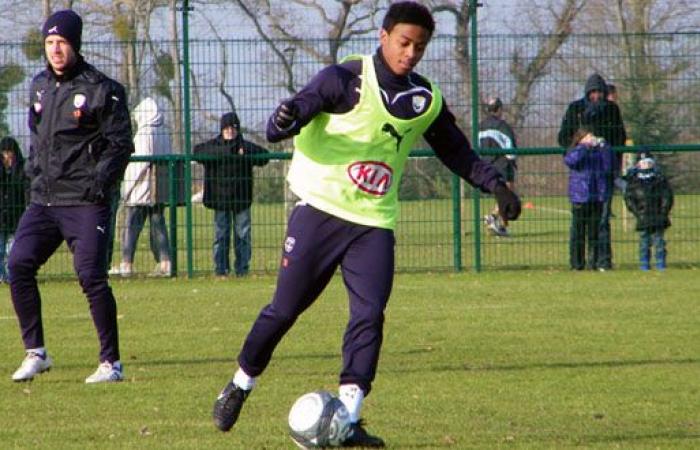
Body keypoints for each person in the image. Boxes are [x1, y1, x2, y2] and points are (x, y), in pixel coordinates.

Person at [211, 2, 521, 447]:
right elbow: (291, 115)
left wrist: (496, 187)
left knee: (369, 314)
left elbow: (456, 151)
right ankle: (240, 384)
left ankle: (348, 418)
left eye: (420, 46)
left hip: (372, 222)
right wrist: (284, 119)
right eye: (404, 43)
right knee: (285, 309)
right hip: (318, 210)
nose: (411, 53)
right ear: (383, 36)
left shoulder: (425, 99)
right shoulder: (345, 78)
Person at [8, 9, 133, 383]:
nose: (55, 49)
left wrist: (99, 182)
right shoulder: (39, 86)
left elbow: (120, 143)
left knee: (91, 277)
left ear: (75, 44)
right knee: (18, 265)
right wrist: (34, 172)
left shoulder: (101, 89)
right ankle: (37, 352)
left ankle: (111, 363)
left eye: (61, 42)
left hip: (84, 200)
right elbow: (36, 137)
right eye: (49, 42)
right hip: (44, 200)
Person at [558, 73, 626, 271]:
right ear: (588, 93)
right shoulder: (575, 109)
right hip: (582, 178)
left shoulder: (612, 110)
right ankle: (577, 263)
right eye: (593, 92)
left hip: (603, 176)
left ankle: (602, 261)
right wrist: (581, 145)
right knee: (579, 224)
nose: (596, 96)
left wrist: (608, 153)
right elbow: (564, 139)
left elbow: (619, 138)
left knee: (602, 221)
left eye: (599, 92)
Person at [194, 112, 269, 277]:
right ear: (221, 129)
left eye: (234, 127)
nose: (230, 131)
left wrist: (244, 151)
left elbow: (264, 156)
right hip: (220, 199)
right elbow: (197, 152)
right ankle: (221, 270)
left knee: (243, 235)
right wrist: (229, 152)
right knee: (221, 235)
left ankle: (242, 269)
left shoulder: (244, 146)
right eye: (227, 128)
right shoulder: (213, 146)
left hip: (241, 198)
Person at [118, 97, 172, 277]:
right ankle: (166, 263)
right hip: (159, 189)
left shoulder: (144, 134)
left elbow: (138, 165)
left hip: (141, 190)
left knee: (132, 227)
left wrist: (127, 190)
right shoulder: (164, 133)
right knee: (159, 225)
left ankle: (126, 264)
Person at [564, 129, 613, 271]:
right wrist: (584, 147)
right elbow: (571, 161)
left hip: (597, 196)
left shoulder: (599, 151)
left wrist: (604, 147)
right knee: (578, 232)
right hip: (580, 196)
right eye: (588, 136)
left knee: (595, 232)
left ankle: (595, 262)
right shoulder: (577, 150)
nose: (592, 139)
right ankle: (577, 264)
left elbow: (609, 166)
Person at [623, 148, 673, 271]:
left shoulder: (659, 179)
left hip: (658, 215)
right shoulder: (634, 181)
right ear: (638, 165)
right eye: (643, 163)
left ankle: (660, 262)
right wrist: (637, 212)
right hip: (643, 216)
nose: (646, 165)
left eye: (649, 162)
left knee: (659, 241)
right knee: (644, 241)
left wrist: (663, 211)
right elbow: (629, 199)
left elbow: (667, 197)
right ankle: (644, 263)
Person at [478, 96, 518, 237]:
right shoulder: (502, 126)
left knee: (500, 195)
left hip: (486, 164)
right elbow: (510, 148)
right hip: (502, 164)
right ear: (500, 109)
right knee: (507, 194)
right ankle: (494, 218)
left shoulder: (481, 126)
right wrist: (512, 160)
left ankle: (499, 224)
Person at [0, 137, 28, 283]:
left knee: (12, 251)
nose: (7, 155)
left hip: (16, 216)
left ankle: (12, 277)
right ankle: (2, 276)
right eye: (4, 152)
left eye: (9, 152)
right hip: (1, 217)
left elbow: (25, 189)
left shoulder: (21, 170)